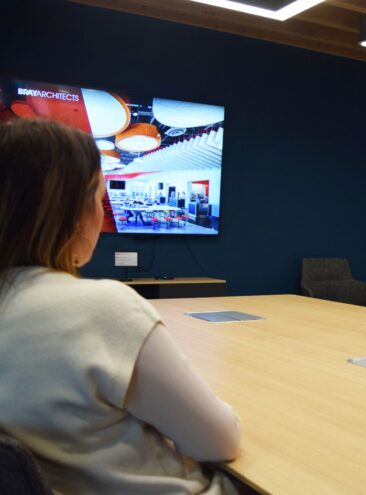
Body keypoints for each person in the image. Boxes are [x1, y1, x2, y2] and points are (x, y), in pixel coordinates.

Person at [0, 119, 243, 494]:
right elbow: (219, 441)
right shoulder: (102, 308)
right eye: (100, 199)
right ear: (74, 213)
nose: (102, 213)